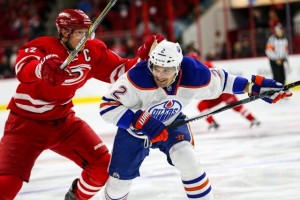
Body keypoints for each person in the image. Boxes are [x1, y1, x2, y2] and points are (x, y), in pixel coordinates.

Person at [99, 39, 292, 199]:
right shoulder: (136, 77)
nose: (159, 75)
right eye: (156, 68)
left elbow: (223, 81)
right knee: (118, 185)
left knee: (187, 158)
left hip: (172, 123)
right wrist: (141, 121)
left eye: (166, 70)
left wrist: (255, 87)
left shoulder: (193, 73)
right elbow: (107, 107)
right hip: (133, 131)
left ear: (177, 67)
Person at [0, 9, 158, 200]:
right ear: (65, 32)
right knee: (7, 184)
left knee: (101, 166)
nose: (86, 39)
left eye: (88, 32)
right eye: (80, 33)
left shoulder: (92, 51)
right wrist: (41, 68)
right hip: (25, 126)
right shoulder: (43, 46)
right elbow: (22, 68)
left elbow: (121, 72)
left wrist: (144, 59)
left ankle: (75, 198)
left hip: (63, 122)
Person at [186, 52, 260, 130]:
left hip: (223, 90)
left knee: (236, 106)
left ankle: (253, 119)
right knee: (202, 106)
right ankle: (212, 123)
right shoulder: (193, 71)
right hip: (214, 93)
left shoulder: (205, 66)